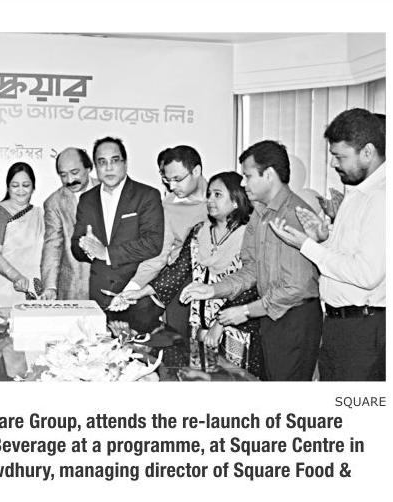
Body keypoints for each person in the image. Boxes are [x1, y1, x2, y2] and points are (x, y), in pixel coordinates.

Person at [180, 140, 321, 381]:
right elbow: (252, 269)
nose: (243, 183)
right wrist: (213, 290)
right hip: (270, 316)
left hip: (294, 318)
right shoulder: (261, 213)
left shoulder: (294, 214)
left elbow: (295, 288)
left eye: (248, 176)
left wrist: (246, 311)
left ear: (269, 175)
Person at [270, 108, 385, 381]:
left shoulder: (381, 197)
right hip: (341, 325)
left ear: (367, 152)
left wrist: (308, 246)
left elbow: (367, 274)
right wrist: (324, 238)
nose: (333, 164)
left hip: (364, 328)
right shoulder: (359, 192)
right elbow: (350, 254)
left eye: (340, 156)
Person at [116, 172, 263, 378]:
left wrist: (220, 324)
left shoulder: (250, 236)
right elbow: (178, 271)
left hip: (235, 327)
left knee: (234, 382)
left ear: (236, 201)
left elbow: (250, 285)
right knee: (202, 380)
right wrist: (140, 292)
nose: (209, 200)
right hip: (199, 326)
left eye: (217, 195)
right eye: (209, 194)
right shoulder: (199, 231)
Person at [112, 145, 209, 337]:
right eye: (167, 180)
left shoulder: (222, 196)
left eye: (177, 179)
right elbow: (158, 255)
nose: (172, 186)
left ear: (196, 171)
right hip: (180, 285)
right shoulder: (168, 207)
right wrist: (131, 289)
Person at [71, 136, 165, 332]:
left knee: (141, 351)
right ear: (95, 167)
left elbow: (153, 243)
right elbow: (76, 244)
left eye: (114, 161)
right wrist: (86, 247)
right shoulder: (87, 199)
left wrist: (106, 253)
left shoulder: (147, 195)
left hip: (137, 298)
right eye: (102, 162)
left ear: (125, 163)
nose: (108, 168)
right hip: (100, 301)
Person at [40, 147, 99, 301]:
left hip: (112, 284)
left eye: (74, 172)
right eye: (63, 175)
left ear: (88, 168)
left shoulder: (109, 191)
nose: (70, 180)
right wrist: (50, 286)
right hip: (75, 287)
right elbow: (53, 245)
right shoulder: (54, 203)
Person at [0, 162, 45, 308]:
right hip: (4, 286)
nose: (21, 190)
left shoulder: (39, 214)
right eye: (15, 185)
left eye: (26, 185)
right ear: (8, 187)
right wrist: (15, 276)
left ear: (33, 187)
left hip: (34, 286)